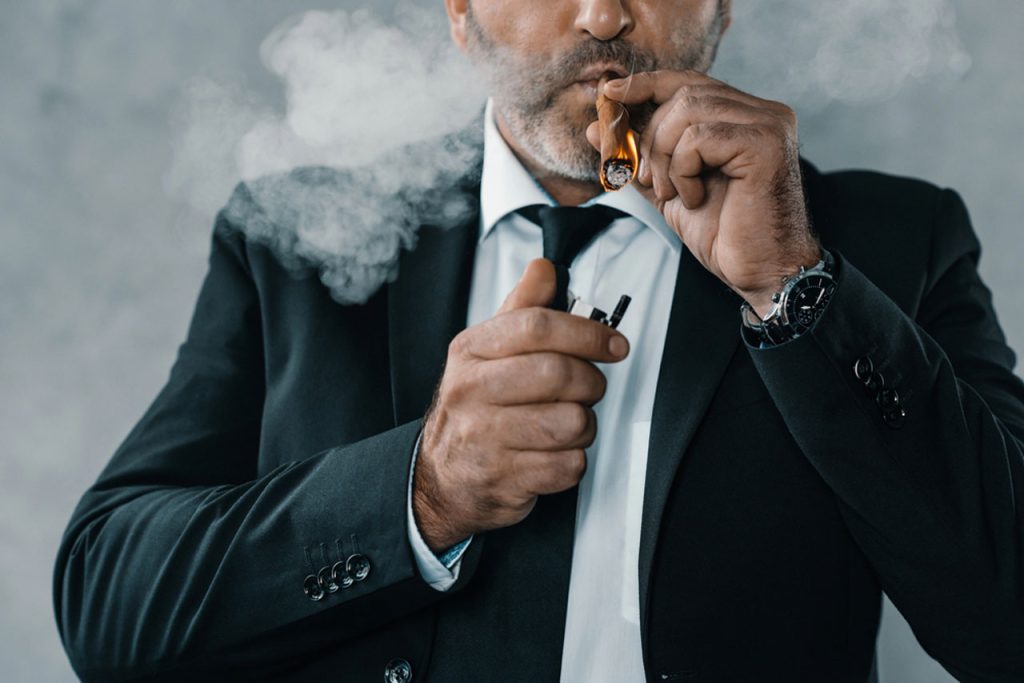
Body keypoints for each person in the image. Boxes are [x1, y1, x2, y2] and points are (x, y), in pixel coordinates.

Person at [54, 0, 1024, 681]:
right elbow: (108, 601)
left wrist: (797, 290)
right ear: (459, 8)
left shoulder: (887, 243)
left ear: (722, 5)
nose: (603, 15)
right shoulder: (292, 238)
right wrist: (419, 490)